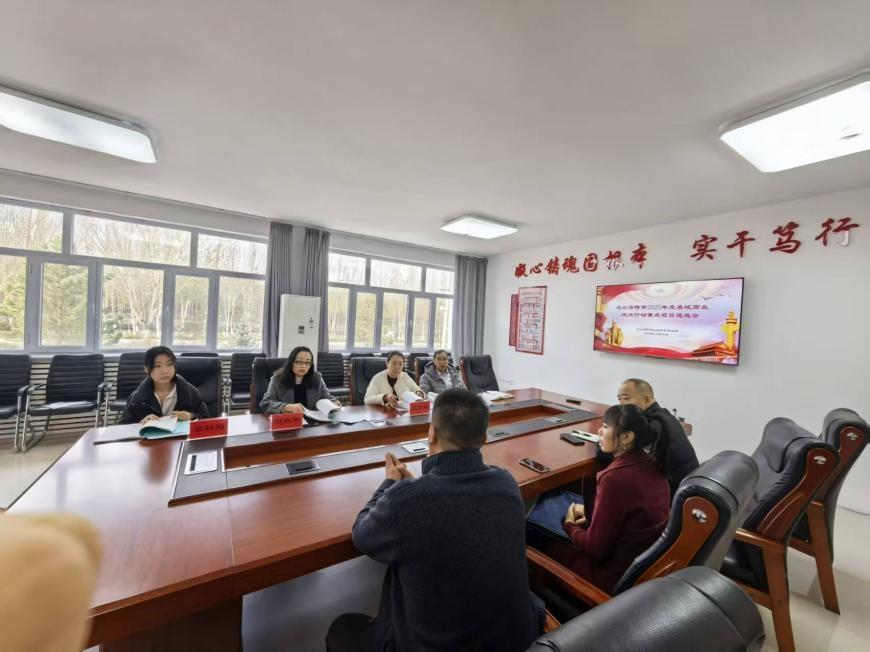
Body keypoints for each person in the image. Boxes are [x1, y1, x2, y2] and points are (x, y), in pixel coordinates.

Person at [326, 389, 542, 652]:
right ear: (484, 438)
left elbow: (362, 535)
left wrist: (391, 484)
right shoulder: (506, 483)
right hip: (514, 642)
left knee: (342, 628)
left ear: (431, 434)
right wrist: (414, 490)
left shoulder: (407, 501)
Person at [537, 403, 670, 594]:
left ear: (627, 437)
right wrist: (592, 515)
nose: (599, 431)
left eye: (606, 427)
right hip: (640, 572)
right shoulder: (651, 463)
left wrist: (569, 525)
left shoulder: (615, 479)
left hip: (607, 579)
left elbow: (595, 548)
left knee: (537, 537)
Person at [616, 378, 699, 493]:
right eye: (619, 399)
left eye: (626, 398)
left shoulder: (653, 424)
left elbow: (621, 448)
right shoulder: (663, 414)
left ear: (647, 399)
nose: (621, 404)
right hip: (685, 482)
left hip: (673, 491)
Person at [118, 346, 209, 424]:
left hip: (180, 438)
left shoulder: (190, 391)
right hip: (150, 439)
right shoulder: (137, 397)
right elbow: (123, 425)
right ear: (146, 369)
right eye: (157, 366)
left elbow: (206, 419)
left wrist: (191, 416)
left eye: (169, 364)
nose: (165, 371)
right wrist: (141, 423)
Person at [259, 346, 339, 414]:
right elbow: (265, 403)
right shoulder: (277, 379)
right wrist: (286, 407)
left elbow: (328, 398)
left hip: (313, 422)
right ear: (291, 362)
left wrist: (334, 403)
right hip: (290, 421)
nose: (303, 366)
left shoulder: (317, 378)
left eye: (307, 363)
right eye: (299, 361)